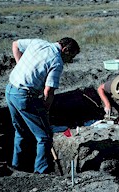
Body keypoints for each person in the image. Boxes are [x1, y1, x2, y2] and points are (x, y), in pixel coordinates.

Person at [5, 37, 80, 174]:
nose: (70, 60)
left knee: (21, 131)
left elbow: (15, 44)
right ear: (65, 50)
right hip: (24, 96)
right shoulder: (56, 61)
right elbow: (49, 91)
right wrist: (45, 110)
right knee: (44, 136)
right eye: (71, 56)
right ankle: (41, 173)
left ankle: (17, 166)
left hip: (10, 90)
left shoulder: (38, 42)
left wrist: (19, 64)